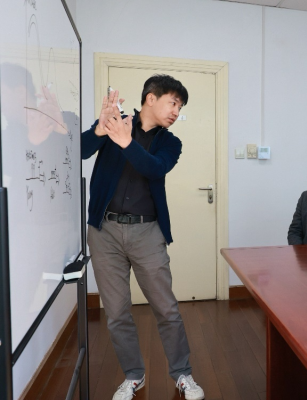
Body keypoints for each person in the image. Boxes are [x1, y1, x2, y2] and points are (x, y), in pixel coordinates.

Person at [82, 75, 204, 400]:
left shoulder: (170, 143)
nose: (176, 111)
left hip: (147, 232)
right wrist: (100, 130)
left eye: (180, 106)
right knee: (116, 312)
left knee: (167, 309)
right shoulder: (115, 123)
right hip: (104, 232)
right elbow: (79, 150)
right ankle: (133, 375)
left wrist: (126, 143)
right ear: (151, 98)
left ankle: (182, 373)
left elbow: (154, 169)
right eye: (173, 102)